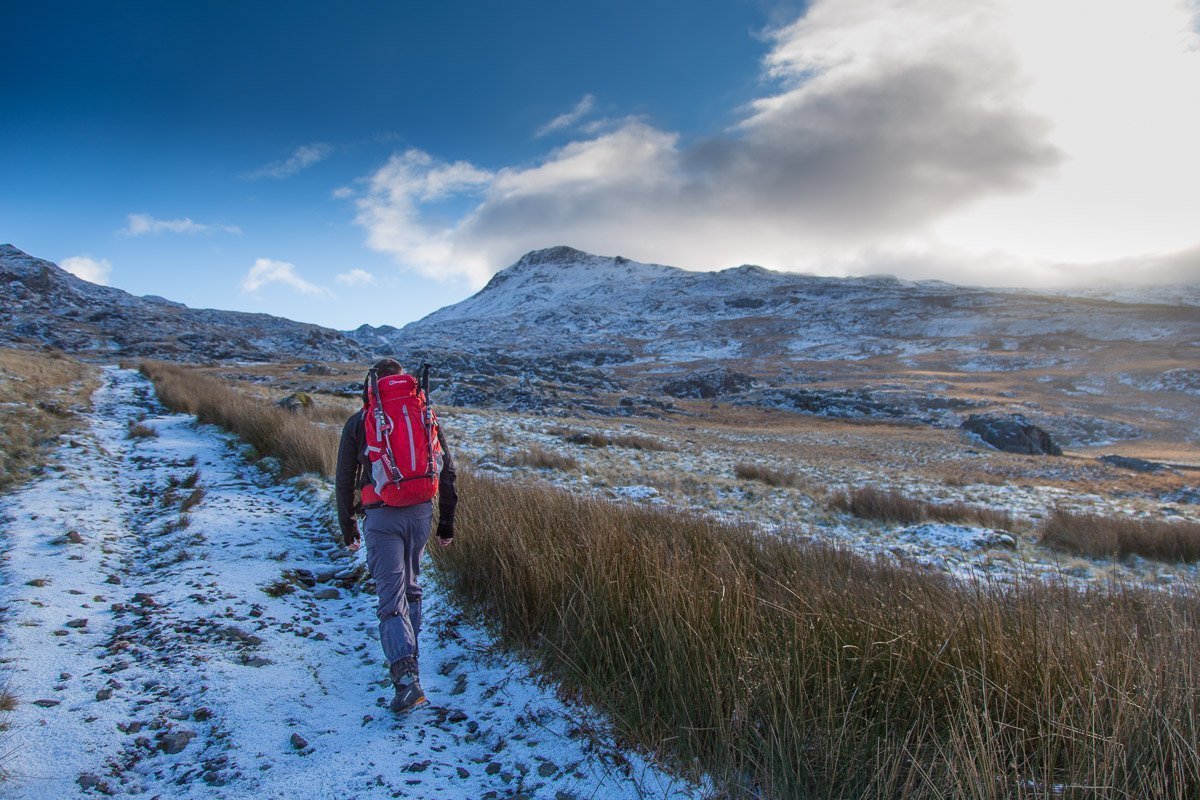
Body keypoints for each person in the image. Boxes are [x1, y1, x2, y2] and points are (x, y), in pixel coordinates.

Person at [335, 358, 458, 713]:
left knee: (391, 598)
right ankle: (411, 662)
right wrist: (446, 524)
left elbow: (344, 479)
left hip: (381, 517)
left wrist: (348, 528)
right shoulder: (422, 414)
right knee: (413, 587)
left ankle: (406, 681)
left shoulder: (360, 421)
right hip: (421, 512)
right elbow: (446, 470)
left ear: (374, 385)